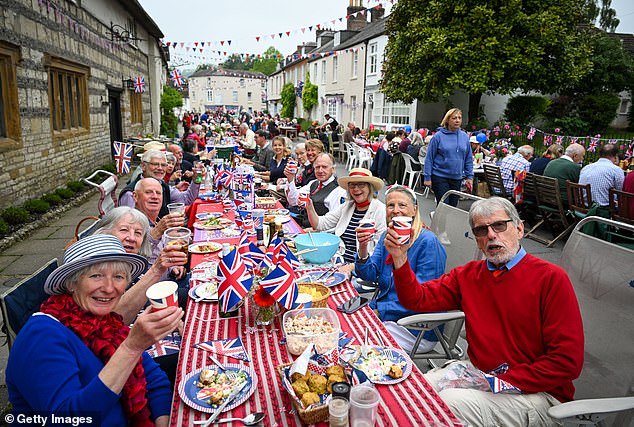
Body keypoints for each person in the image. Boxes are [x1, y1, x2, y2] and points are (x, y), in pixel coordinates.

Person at [385, 197, 584, 426]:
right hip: (480, 372)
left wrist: (495, 382)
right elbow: (417, 299)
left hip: (539, 393)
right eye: (481, 230)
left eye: (499, 225)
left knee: (449, 403)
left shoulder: (550, 278)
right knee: (413, 390)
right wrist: (400, 258)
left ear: (519, 229)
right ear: (477, 241)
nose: (491, 235)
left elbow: (566, 361)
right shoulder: (468, 275)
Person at [6, 235, 183, 426]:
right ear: (71, 283)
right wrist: (132, 347)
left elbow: (155, 381)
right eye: (96, 276)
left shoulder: (106, 323)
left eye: (118, 277)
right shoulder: (41, 336)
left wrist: (162, 422)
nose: (109, 288)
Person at [355, 184, 446, 352]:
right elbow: (369, 274)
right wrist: (363, 246)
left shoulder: (428, 242)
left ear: (414, 210)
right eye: (391, 205)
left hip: (415, 326)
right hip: (388, 315)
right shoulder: (387, 236)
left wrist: (380, 310)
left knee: (358, 339)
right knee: (346, 324)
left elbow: (423, 297)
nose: (395, 210)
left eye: (402, 205)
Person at [94, 206, 187, 324]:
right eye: (124, 230)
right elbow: (111, 321)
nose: (132, 238)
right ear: (105, 233)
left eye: (138, 233)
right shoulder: (99, 268)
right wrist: (156, 269)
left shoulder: (133, 263)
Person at [306, 168, 386, 264]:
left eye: (361, 185)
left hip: (363, 268)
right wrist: (309, 207)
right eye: (352, 185)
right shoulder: (348, 205)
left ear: (370, 187)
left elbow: (379, 251)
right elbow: (319, 224)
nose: (356, 189)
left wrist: (352, 267)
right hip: (338, 261)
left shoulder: (380, 210)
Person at [119, 150, 202, 218]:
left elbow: (186, 199)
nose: (160, 168)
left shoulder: (162, 185)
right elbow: (130, 226)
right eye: (155, 164)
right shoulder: (129, 193)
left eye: (163, 165)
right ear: (143, 166)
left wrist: (196, 181)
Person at [424, 108, 474, 206]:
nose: (457, 120)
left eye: (459, 118)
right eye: (454, 118)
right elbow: (429, 158)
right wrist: (427, 177)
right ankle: (440, 221)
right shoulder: (438, 137)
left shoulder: (464, 137)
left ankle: (447, 221)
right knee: (444, 205)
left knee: (453, 206)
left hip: (457, 177)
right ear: (447, 120)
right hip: (440, 176)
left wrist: (470, 177)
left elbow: (468, 158)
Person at [287, 153, 347, 228]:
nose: (320, 170)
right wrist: (290, 178)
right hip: (303, 225)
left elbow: (334, 223)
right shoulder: (313, 183)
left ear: (333, 169)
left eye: (324, 167)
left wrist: (314, 230)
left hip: (319, 234)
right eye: (317, 167)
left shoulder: (339, 190)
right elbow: (293, 201)